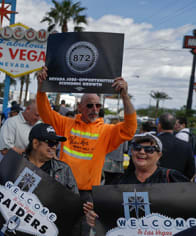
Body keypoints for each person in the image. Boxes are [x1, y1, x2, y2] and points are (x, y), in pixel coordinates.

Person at [36, 66, 137, 236]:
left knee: (80, 231)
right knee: (52, 229)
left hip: (87, 194)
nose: (95, 109)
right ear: (80, 107)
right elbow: (45, 111)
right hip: (61, 189)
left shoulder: (106, 131)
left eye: (98, 105)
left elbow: (130, 129)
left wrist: (125, 96)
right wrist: (41, 87)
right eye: (90, 105)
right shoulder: (66, 124)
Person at [84, 132, 189, 228]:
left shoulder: (172, 177)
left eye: (149, 149)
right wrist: (94, 216)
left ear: (159, 155)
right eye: (137, 148)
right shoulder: (118, 182)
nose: (142, 152)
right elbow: (107, 216)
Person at [0, 123, 78, 194]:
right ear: (35, 143)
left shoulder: (63, 169)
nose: (54, 147)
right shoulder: (13, 163)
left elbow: (73, 202)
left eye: (56, 143)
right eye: (51, 143)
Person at [157, 113, 195, 179]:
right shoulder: (186, 146)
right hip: (177, 185)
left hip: (153, 184)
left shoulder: (151, 142)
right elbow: (191, 171)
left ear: (159, 125)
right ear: (174, 125)